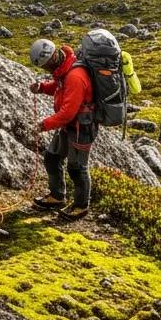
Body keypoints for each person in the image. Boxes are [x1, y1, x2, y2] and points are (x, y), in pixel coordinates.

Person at [28, 37, 95, 220]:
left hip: (82, 127)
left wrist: (43, 125)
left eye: (46, 67)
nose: (47, 70)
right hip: (70, 125)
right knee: (52, 157)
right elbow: (59, 88)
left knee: (77, 167)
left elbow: (68, 112)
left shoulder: (75, 76)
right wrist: (42, 88)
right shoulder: (64, 69)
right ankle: (57, 196)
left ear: (51, 59)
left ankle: (81, 206)